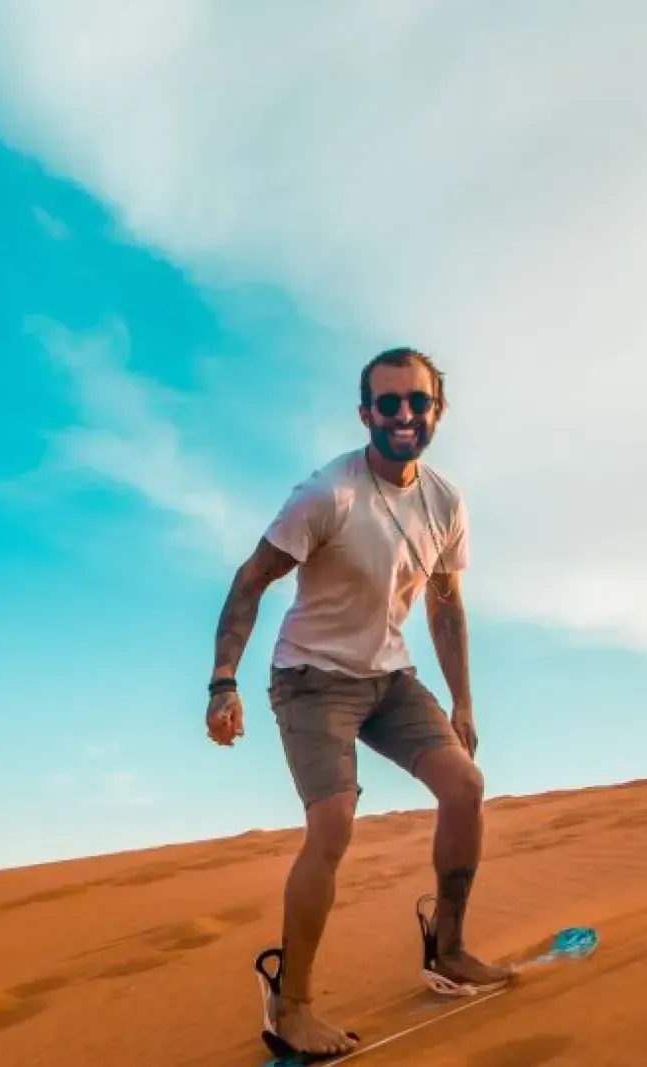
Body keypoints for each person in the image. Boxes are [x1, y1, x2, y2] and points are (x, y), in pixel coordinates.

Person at [206, 346, 512, 1058]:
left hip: (390, 679)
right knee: (334, 825)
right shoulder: (326, 495)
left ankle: (450, 949)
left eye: (418, 402)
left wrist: (463, 700)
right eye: (389, 402)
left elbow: (444, 603)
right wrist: (224, 679)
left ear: (437, 410)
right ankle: (293, 1006)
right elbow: (251, 580)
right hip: (311, 680)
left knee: (465, 785)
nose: (404, 414)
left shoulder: (444, 500)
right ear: (366, 413)